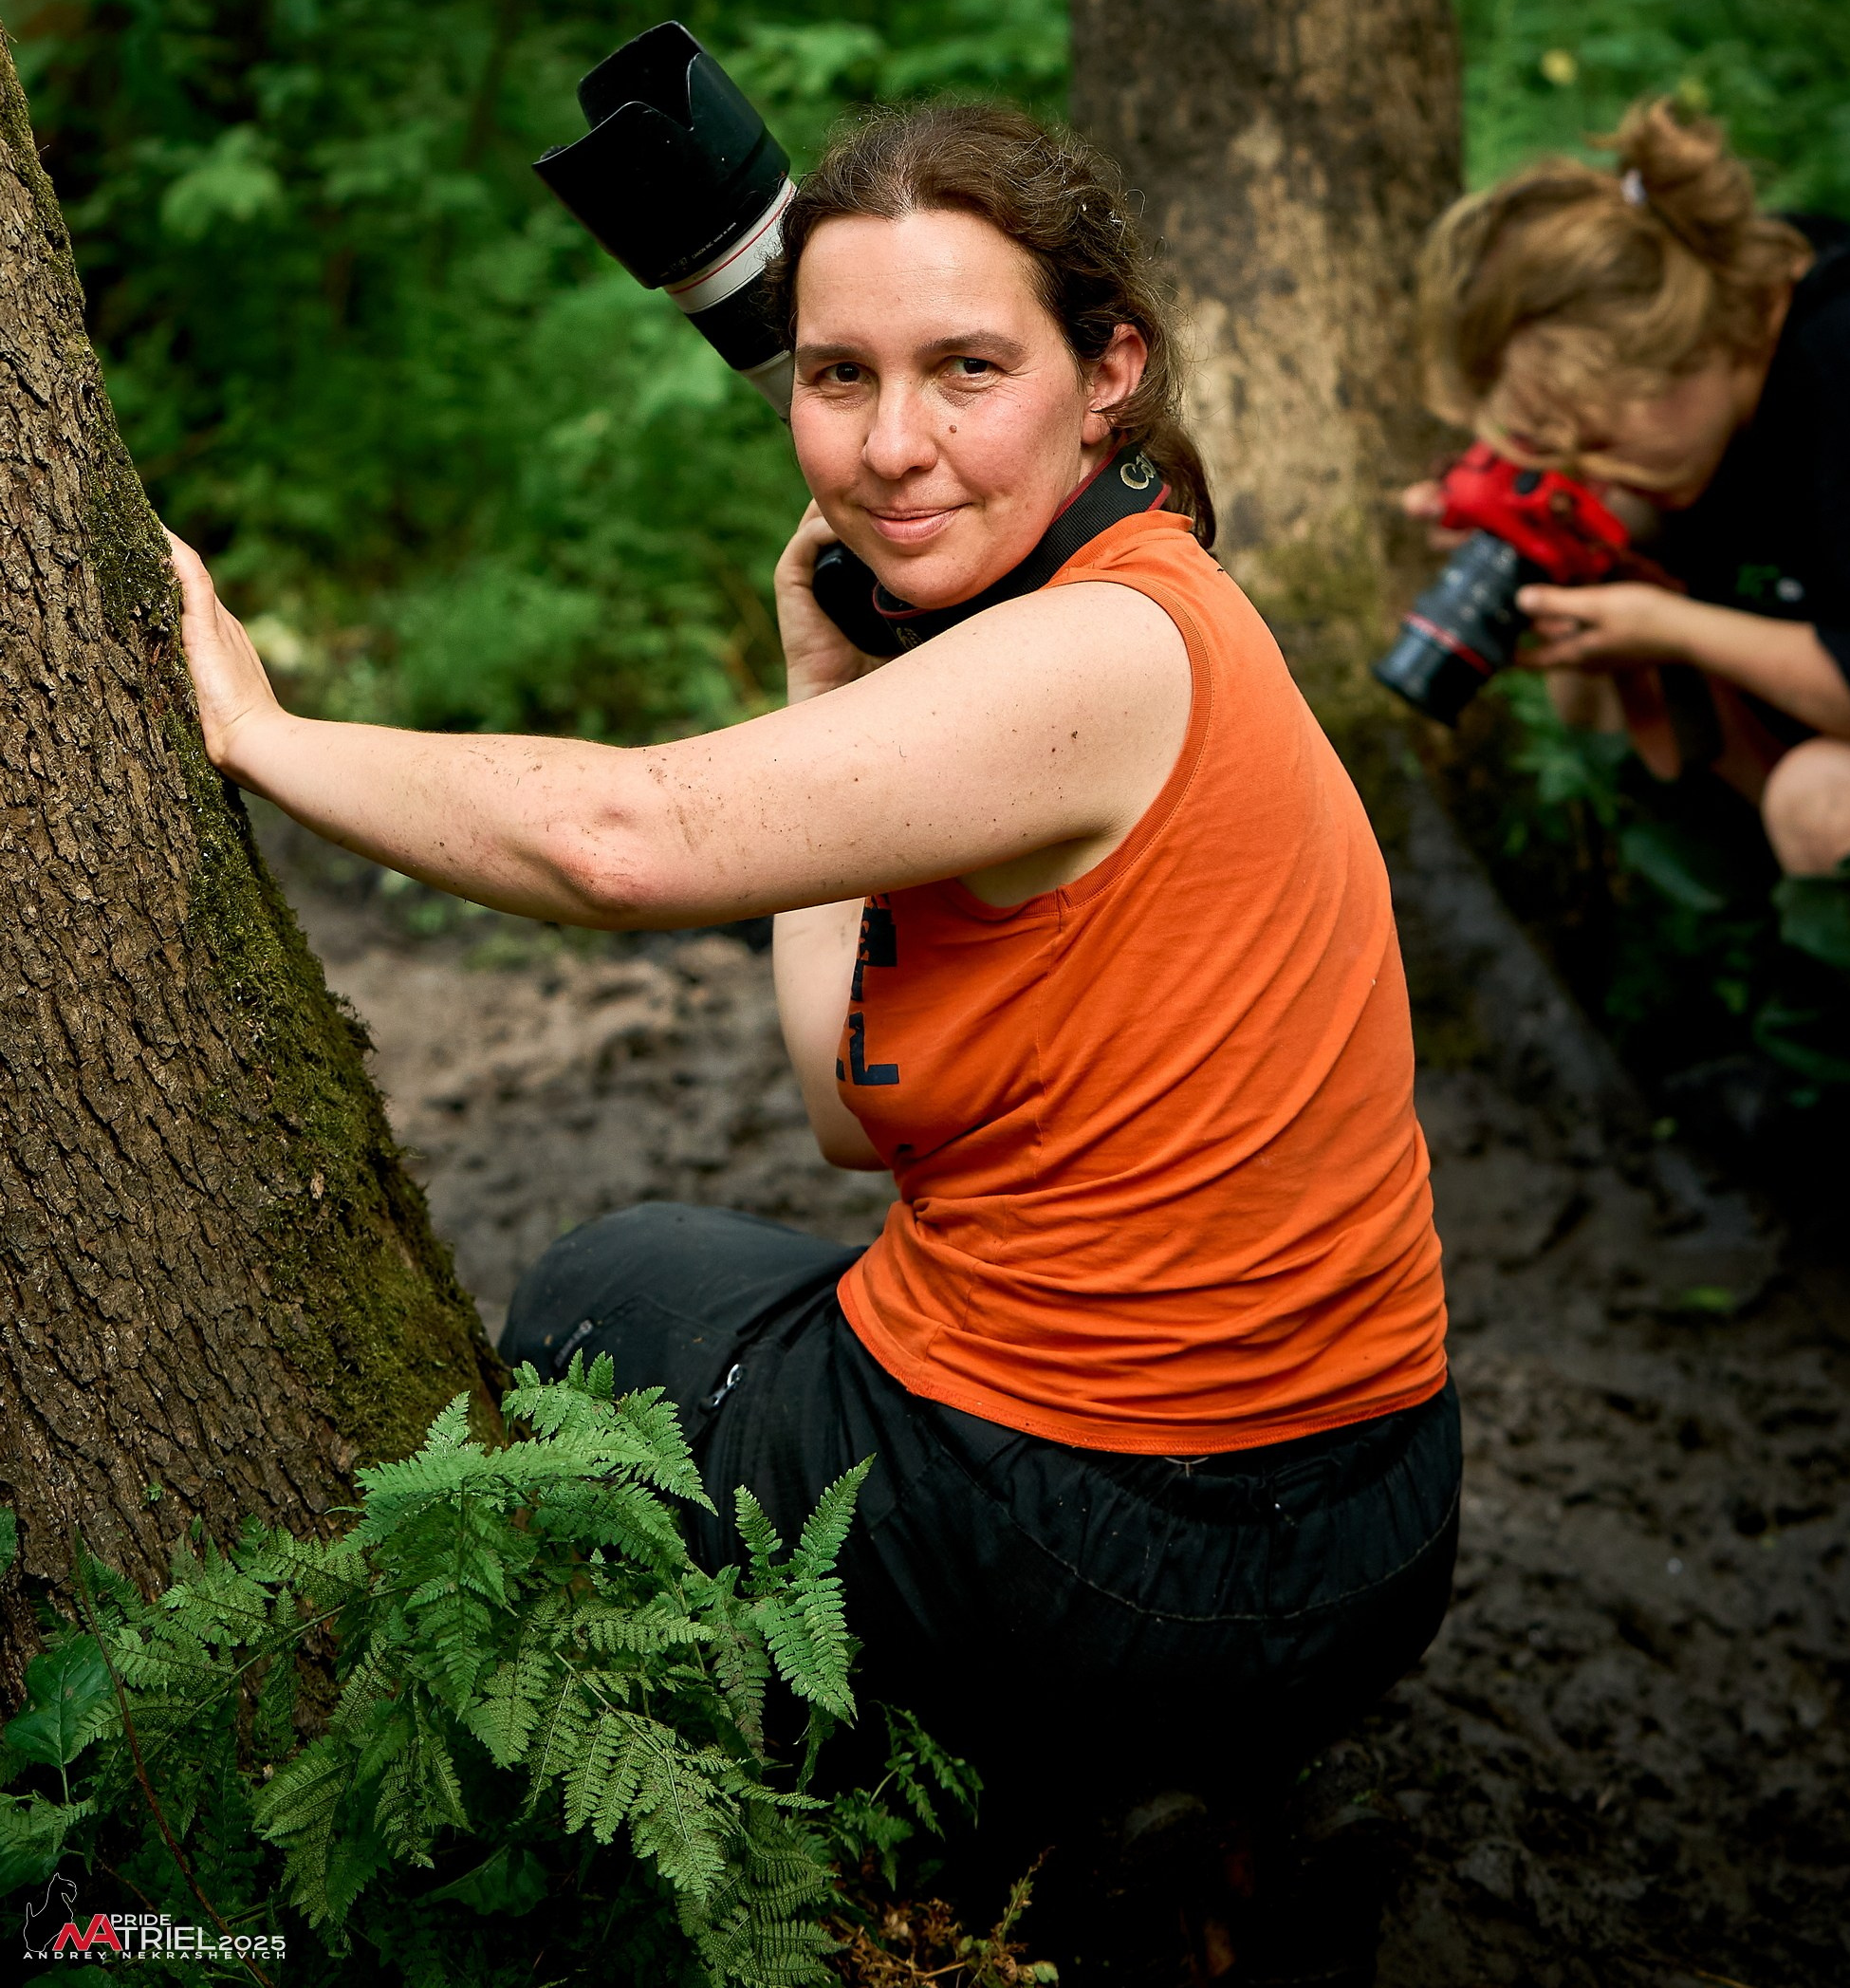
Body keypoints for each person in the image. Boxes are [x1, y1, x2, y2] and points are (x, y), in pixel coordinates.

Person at [171, 102, 1456, 1831]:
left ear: (1108, 373)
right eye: (836, 376)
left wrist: (257, 732)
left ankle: (868, 1819)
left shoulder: (1089, 654)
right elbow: (846, 1112)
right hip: (1352, 1536)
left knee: (611, 1297)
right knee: (730, 1267)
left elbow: (619, 842)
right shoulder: (1120, 612)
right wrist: (817, 683)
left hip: (1127, 1549)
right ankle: (1143, 1811)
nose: (890, 445)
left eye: (965, 370)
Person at [1407, 99, 1850, 883]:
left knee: (1823, 803)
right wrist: (1545, 545)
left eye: (1597, 442)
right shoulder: (1715, 322)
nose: (1591, 473)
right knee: (1584, 685)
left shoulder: (1849, 359)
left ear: (1686, 344)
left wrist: (1670, 627)